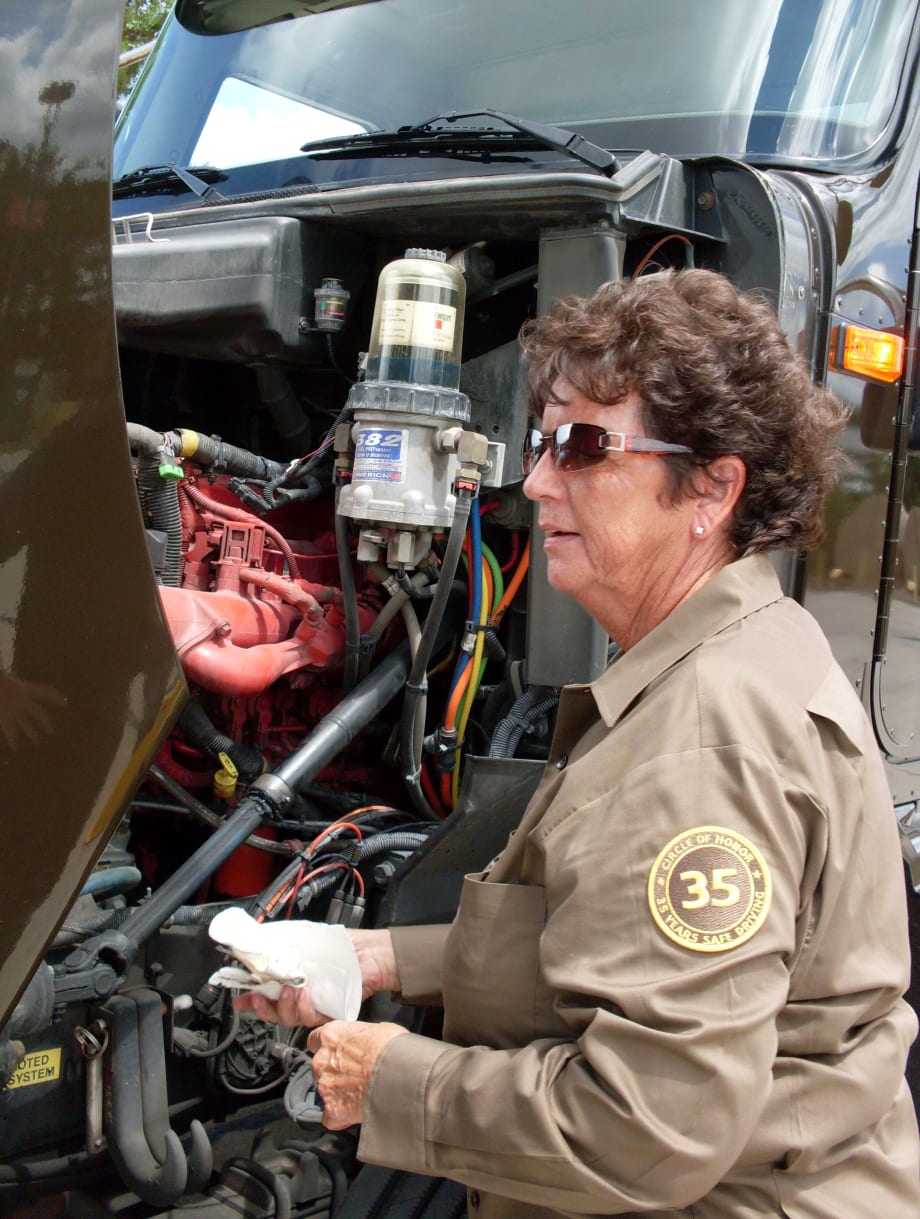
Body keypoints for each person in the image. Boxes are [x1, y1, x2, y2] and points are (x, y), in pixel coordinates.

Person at [235, 269, 920, 1217]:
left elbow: (647, 1127)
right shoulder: (735, 649)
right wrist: (376, 960)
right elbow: (601, 935)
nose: (539, 479)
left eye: (586, 447)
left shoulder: (705, 743)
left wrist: (389, 1078)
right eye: (542, 441)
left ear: (712, 488)